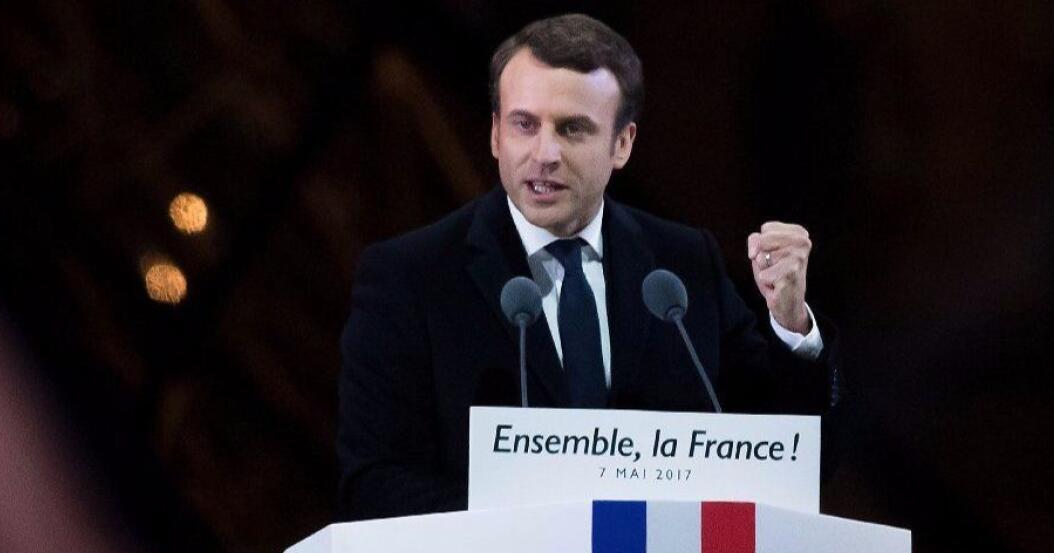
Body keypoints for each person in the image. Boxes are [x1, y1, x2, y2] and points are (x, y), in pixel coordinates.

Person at [336, 14, 841, 520]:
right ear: (495, 135)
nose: (545, 154)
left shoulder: (683, 270)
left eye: (572, 129)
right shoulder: (410, 277)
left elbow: (795, 465)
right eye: (524, 125)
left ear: (622, 144)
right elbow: (374, 483)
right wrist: (537, 526)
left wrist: (792, 325)